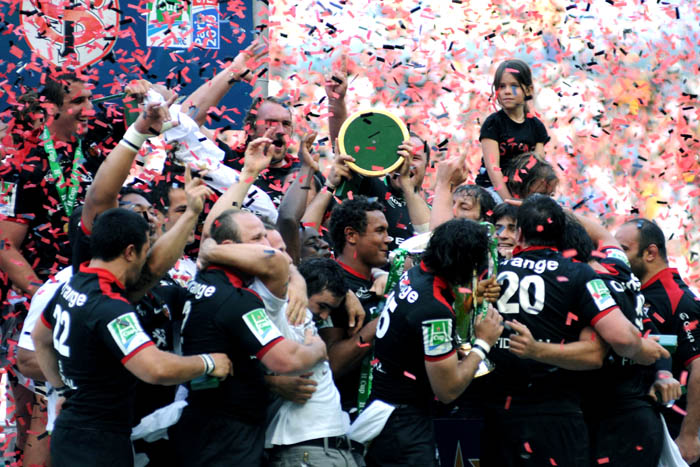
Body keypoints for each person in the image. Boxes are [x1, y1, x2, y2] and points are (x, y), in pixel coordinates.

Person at [31, 208, 233, 467]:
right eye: (146, 250)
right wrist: (209, 362)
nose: (146, 260)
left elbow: (40, 337)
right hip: (98, 443)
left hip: (70, 432)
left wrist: (62, 390)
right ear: (129, 252)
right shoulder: (109, 306)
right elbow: (155, 369)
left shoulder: (74, 284)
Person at [480, 195, 669, 467]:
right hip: (559, 416)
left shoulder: (489, 276)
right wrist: (642, 349)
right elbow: (620, 339)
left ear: (519, 234)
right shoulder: (584, 274)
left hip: (498, 414)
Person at [170, 208, 329, 466]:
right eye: (257, 239)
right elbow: (286, 360)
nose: (267, 247)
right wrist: (318, 349)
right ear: (229, 248)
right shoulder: (236, 300)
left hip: (206, 427)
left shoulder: (203, 281)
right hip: (226, 438)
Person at [365, 219, 504, 466]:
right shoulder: (434, 311)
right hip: (404, 425)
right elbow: (447, 390)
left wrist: (472, 297)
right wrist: (483, 343)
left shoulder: (415, 274)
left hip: (391, 411)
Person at [615, 218, 700, 465]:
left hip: (673, 431)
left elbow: (699, 367)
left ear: (650, 253)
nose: (615, 258)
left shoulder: (678, 299)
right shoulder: (634, 292)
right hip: (643, 425)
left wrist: (689, 434)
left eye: (623, 250)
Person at [324, 196, 390, 414]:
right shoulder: (330, 286)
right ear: (351, 235)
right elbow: (332, 364)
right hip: (345, 415)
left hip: (384, 410)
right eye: (380, 231)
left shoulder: (382, 280)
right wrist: (380, 323)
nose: (388, 239)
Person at [476, 59, 550, 201]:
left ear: (528, 90)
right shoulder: (493, 124)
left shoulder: (536, 127)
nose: (507, 91)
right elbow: (493, 168)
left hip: (522, 189)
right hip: (492, 188)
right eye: (502, 86)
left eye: (514, 86)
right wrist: (509, 201)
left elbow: (538, 168)